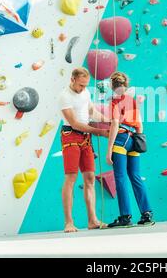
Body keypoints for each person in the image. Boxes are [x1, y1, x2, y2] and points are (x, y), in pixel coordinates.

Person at [59, 67, 109, 233]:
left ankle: (92, 220)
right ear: (72, 79)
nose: (82, 88)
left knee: (90, 178)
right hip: (70, 136)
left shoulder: (86, 93)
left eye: (85, 85)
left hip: (86, 137)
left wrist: (107, 121)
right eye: (80, 85)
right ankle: (69, 222)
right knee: (71, 178)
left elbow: (90, 111)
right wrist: (100, 132)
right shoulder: (64, 96)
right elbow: (74, 123)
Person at [106, 71, 154, 228]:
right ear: (126, 85)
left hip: (120, 139)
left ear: (112, 86)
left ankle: (125, 216)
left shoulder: (114, 101)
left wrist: (108, 151)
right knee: (135, 176)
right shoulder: (132, 101)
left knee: (120, 178)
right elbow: (139, 123)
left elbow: (114, 124)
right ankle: (146, 214)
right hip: (134, 139)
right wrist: (138, 140)